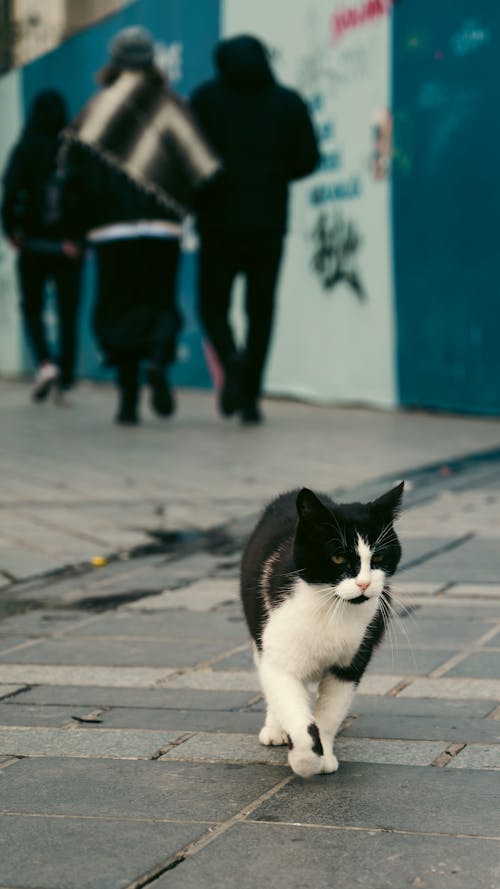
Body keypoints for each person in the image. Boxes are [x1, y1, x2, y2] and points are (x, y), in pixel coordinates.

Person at [62, 26, 220, 424]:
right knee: (158, 302)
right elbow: (199, 166)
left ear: (113, 62)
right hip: (162, 229)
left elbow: (71, 178)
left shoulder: (93, 110)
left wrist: (75, 232)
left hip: (109, 230)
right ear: (152, 62)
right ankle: (158, 363)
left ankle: (129, 397)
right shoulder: (172, 106)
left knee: (117, 308)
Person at [191, 34, 320, 424]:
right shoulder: (288, 102)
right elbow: (308, 159)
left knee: (213, 304)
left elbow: (186, 157)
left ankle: (230, 358)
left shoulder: (204, 100)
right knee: (261, 310)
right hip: (268, 222)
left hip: (218, 223)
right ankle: (250, 397)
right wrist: (274, 173)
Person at [1, 90, 85, 404]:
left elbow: (9, 194)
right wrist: (80, 238)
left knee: (32, 307)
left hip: (33, 244)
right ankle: (67, 378)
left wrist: (12, 231)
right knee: (68, 312)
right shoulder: (72, 148)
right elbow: (87, 195)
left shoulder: (24, 148)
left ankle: (45, 364)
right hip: (68, 247)